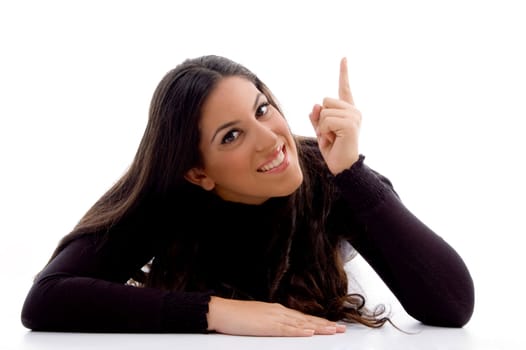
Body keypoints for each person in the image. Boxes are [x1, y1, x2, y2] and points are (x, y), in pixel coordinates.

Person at [21, 55, 474, 336]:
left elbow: (452, 306)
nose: (271, 139)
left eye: (262, 109)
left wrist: (353, 174)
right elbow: (46, 300)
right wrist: (214, 313)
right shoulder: (166, 197)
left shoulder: (331, 172)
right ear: (198, 172)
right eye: (232, 135)